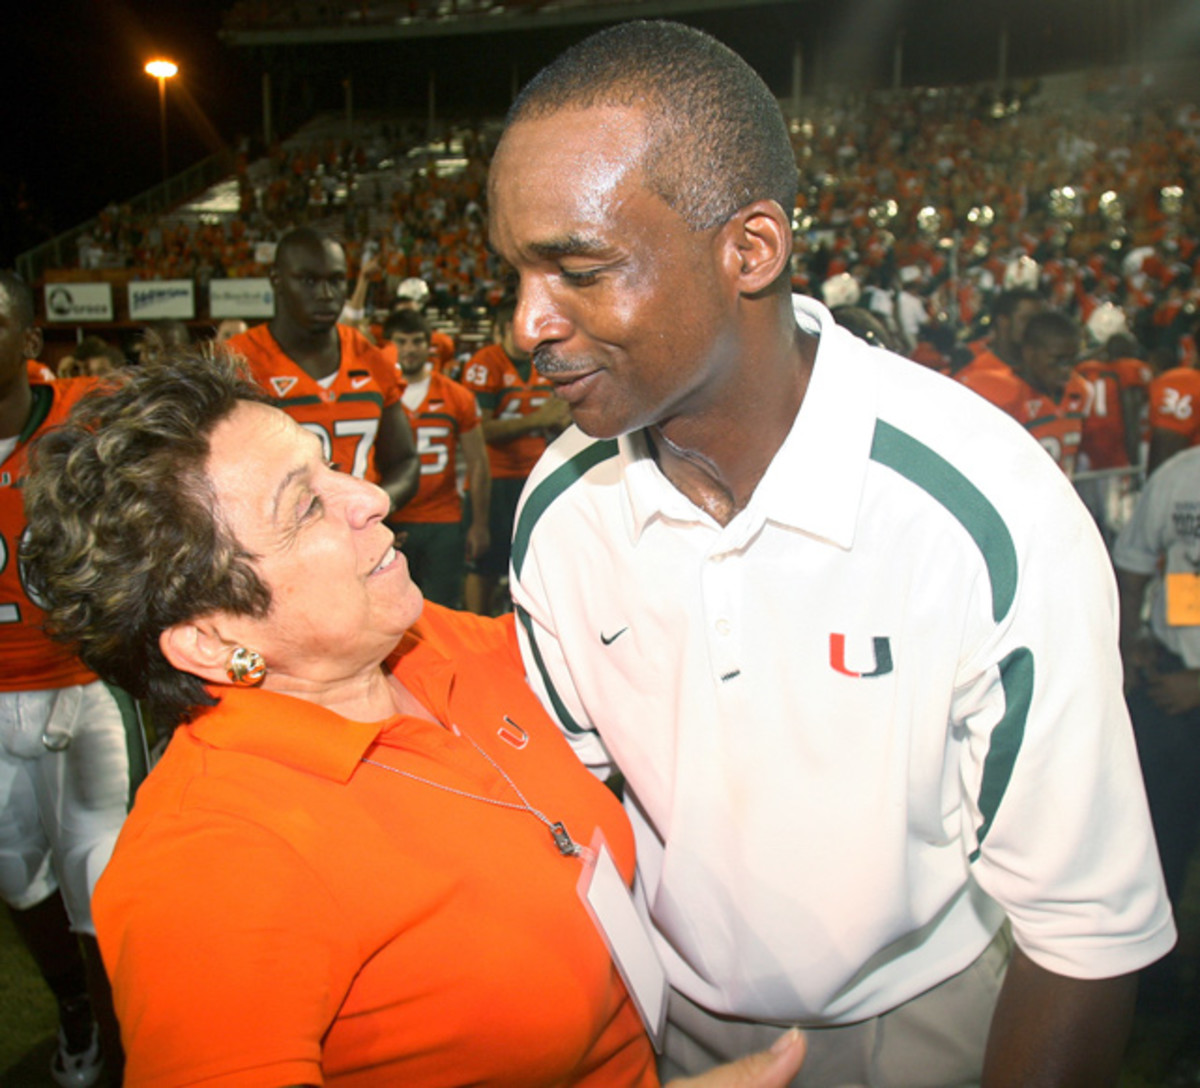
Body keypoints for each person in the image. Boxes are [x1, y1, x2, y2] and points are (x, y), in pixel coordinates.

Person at [488, 21, 1175, 1086]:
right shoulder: (561, 507)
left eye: (578, 268)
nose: (526, 321)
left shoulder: (984, 509)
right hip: (667, 1019)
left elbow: (1084, 933)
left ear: (749, 249)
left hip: (932, 1019)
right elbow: (579, 825)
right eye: (518, 274)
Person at [19, 350, 806, 1088]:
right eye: (304, 507)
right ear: (211, 639)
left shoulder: (427, 641)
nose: (368, 495)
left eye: (328, 463)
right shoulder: (208, 870)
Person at [0, 271, 146, 1087]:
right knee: (20, 885)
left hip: (77, 686)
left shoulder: (86, 413)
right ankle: (74, 1009)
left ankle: (125, 1037)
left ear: (30, 344)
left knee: (103, 886)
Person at [225, 228, 419, 512]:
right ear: (276, 280)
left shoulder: (371, 357)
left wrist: (376, 508)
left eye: (336, 280)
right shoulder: (234, 362)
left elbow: (405, 460)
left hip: (360, 541)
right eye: (309, 280)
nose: (326, 294)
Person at [1112, 448, 1200, 1022]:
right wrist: (1128, 644)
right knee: (1155, 853)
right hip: (1168, 691)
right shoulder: (1180, 476)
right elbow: (1134, 569)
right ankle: (1157, 999)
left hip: (1189, 686)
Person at [460, 297, 568, 614]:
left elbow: (559, 416)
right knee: (484, 565)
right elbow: (479, 431)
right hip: (494, 479)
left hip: (537, 476)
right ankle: (476, 632)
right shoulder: (485, 363)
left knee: (533, 564)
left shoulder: (547, 360)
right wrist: (539, 420)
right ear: (508, 327)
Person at [385, 307, 490, 607]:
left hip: (443, 519)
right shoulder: (376, 392)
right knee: (392, 613)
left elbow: (478, 462)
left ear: (429, 345)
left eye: (417, 341)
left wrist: (479, 523)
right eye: (401, 341)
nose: (409, 349)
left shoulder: (457, 395)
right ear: (389, 343)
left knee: (442, 610)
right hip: (392, 518)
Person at [957, 309, 1089, 475]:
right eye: (1058, 360)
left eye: (1072, 360)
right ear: (1030, 353)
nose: (1067, 370)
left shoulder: (1079, 391)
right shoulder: (1001, 394)